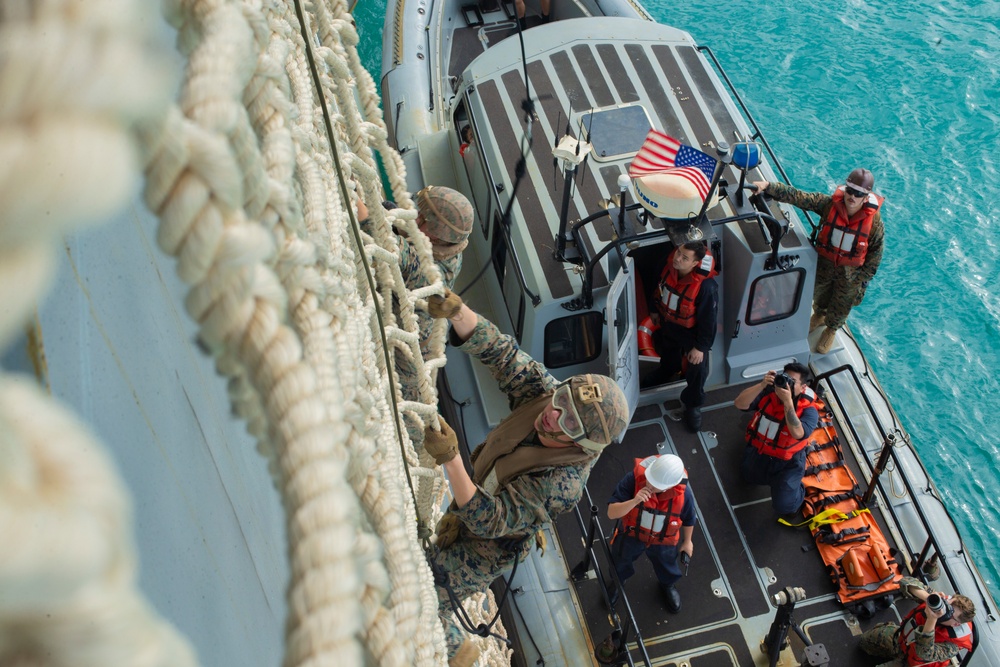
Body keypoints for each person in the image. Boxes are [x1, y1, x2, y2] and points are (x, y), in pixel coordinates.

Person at [422, 289, 629, 664]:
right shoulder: (544, 396)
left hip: (486, 548)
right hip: (472, 497)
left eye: (567, 421)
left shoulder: (564, 484)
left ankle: (456, 652)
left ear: (582, 444)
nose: (553, 414)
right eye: (562, 401)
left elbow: (491, 520)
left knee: (426, 597)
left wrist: (451, 459)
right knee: (429, 563)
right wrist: (458, 311)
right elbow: (503, 356)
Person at [753, 168, 884, 355]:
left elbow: (876, 253)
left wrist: (860, 279)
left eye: (858, 194)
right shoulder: (830, 205)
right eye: (850, 191)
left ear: (866, 197)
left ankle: (831, 328)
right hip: (825, 264)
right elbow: (800, 197)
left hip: (851, 273)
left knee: (842, 304)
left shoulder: (874, 223)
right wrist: (768, 187)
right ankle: (819, 315)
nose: (852, 197)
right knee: (819, 293)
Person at [606, 454, 695, 613]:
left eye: (656, 484)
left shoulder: (684, 495)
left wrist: (687, 541)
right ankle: (618, 582)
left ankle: (668, 584)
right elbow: (611, 513)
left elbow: (689, 519)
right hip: (631, 534)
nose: (649, 484)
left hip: (663, 541)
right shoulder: (632, 480)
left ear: (670, 486)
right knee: (620, 561)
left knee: (667, 564)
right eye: (649, 478)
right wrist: (634, 501)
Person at [644, 241, 718, 432]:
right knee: (668, 351)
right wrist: (653, 309)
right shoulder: (668, 265)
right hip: (669, 322)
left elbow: (709, 320)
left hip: (692, 333)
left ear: (695, 263)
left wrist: (701, 347)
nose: (677, 258)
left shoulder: (706, 287)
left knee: (698, 370)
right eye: (678, 253)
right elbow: (658, 286)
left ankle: (693, 405)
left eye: (684, 258)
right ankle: (667, 370)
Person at [733, 363, 819, 516]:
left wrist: (787, 402)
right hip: (761, 452)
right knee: (747, 477)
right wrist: (761, 384)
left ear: (803, 387)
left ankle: (797, 488)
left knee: (785, 507)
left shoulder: (809, 411)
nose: (786, 384)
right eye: (785, 378)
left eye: (792, 381)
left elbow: (798, 433)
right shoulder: (768, 393)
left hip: (788, 463)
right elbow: (739, 403)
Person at [860, 577, 975, 667]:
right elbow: (905, 582)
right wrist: (928, 598)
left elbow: (923, 652)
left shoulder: (953, 645)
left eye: (950, 614)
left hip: (913, 663)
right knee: (864, 642)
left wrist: (932, 619)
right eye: (947, 606)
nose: (943, 611)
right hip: (901, 641)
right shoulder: (937, 602)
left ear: (956, 624)